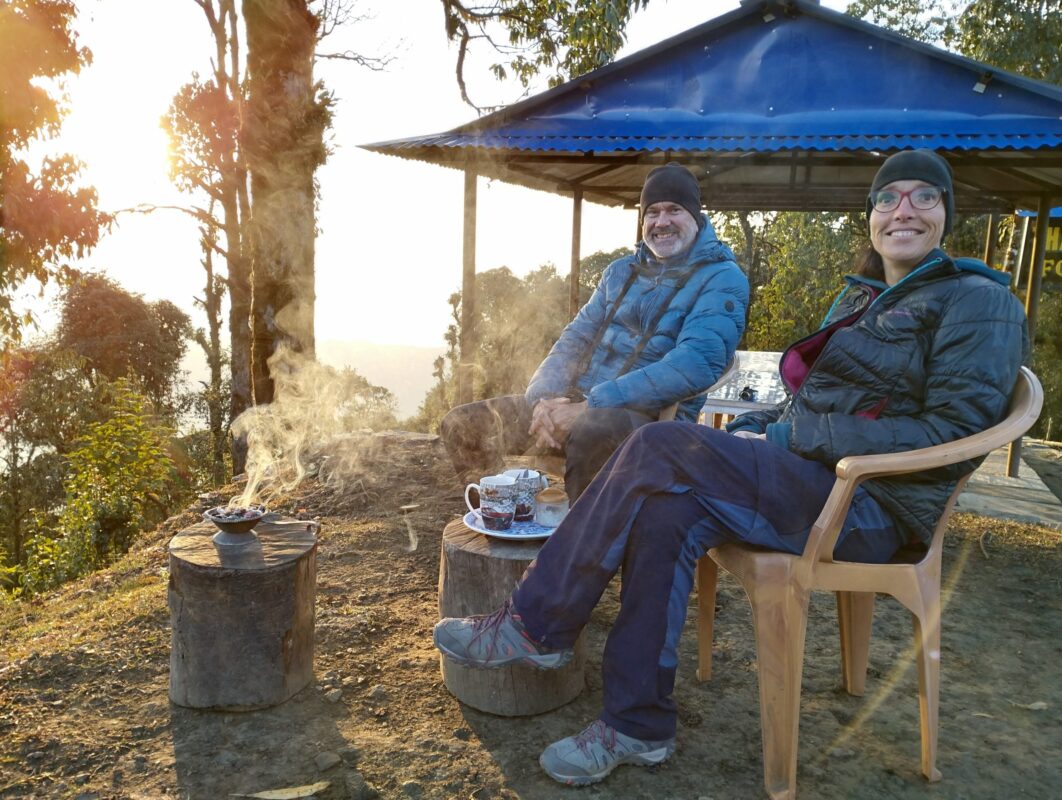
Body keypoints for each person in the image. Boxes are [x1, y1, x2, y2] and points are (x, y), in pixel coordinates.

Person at [432, 150, 1030, 786]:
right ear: (872, 216)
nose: (903, 210)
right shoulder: (860, 298)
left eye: (923, 198)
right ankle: (639, 726)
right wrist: (763, 426)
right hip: (813, 480)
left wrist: (800, 432)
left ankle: (536, 623)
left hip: (874, 506)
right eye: (889, 199)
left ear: (946, 215)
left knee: (657, 445)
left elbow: (954, 431)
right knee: (665, 513)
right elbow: (811, 402)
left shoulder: (977, 300)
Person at [440, 163, 749, 501]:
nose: (662, 222)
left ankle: (580, 549)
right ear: (643, 220)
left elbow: (695, 363)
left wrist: (590, 406)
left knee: (592, 433)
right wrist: (543, 401)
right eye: (653, 212)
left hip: (649, 421)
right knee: (463, 424)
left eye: (674, 210)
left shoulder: (722, 278)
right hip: (576, 403)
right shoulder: (619, 272)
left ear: (695, 216)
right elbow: (575, 338)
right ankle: (501, 512)